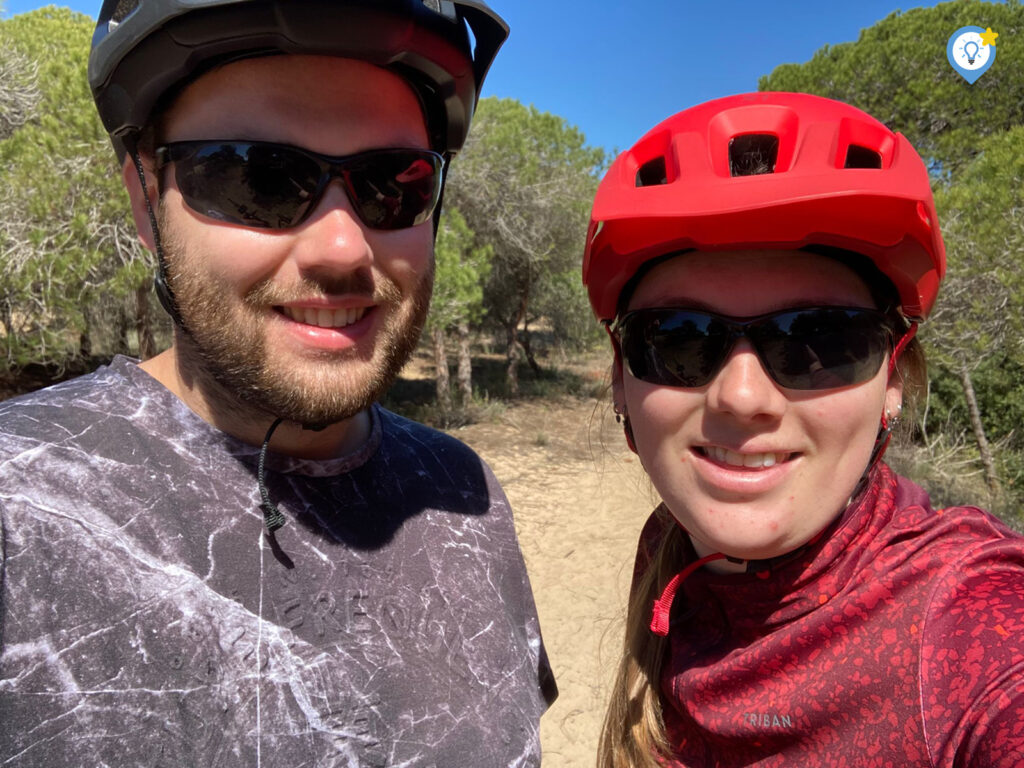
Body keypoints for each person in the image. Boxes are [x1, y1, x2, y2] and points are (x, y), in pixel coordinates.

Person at [0, 1, 556, 765]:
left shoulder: (468, 493)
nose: (342, 247)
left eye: (395, 184)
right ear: (142, 197)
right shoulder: (20, 507)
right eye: (260, 177)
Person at [582, 92, 1024, 767]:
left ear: (893, 383)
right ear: (621, 377)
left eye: (818, 339)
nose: (743, 396)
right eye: (678, 339)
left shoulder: (967, 619)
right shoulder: (670, 547)